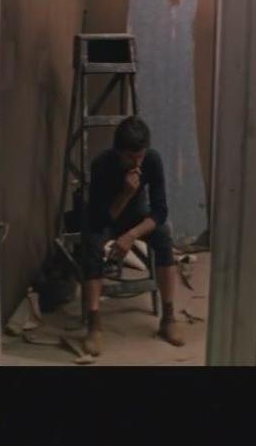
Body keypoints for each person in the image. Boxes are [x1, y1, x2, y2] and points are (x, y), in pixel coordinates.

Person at [81, 116, 185, 356]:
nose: (136, 162)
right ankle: (94, 325)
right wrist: (127, 193)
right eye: (130, 157)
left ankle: (168, 318)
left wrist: (131, 235)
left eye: (140, 156)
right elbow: (101, 218)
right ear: (118, 152)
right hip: (107, 214)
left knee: (163, 235)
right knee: (92, 242)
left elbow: (160, 212)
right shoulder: (101, 164)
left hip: (135, 216)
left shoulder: (152, 160)